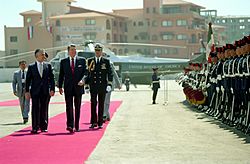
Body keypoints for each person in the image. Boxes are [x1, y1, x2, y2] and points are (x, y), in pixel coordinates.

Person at [58, 44, 87, 133]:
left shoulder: (82, 60)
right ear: (68, 51)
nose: (73, 51)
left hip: (78, 87)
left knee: (77, 107)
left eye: (75, 50)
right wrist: (59, 86)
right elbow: (61, 75)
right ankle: (70, 125)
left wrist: (83, 81)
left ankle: (77, 126)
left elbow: (86, 73)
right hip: (68, 87)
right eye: (71, 50)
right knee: (69, 107)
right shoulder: (63, 62)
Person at [25, 49, 55, 134]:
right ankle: (35, 127)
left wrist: (52, 89)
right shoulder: (31, 67)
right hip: (35, 91)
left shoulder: (48, 66)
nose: (44, 56)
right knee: (35, 109)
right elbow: (28, 80)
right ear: (37, 56)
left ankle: (43, 127)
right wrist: (27, 91)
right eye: (42, 54)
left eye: (44, 54)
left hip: (45, 91)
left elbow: (52, 78)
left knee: (44, 109)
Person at [85, 44, 113, 129]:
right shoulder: (90, 61)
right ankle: (94, 122)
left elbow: (110, 73)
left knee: (101, 104)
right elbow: (88, 74)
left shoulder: (106, 61)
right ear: (95, 51)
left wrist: (109, 84)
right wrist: (86, 85)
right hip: (93, 85)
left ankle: (100, 122)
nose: (97, 52)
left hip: (102, 86)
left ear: (101, 51)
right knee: (93, 104)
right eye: (96, 51)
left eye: (99, 51)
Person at [102, 53, 122, 122]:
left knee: (106, 101)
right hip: (101, 84)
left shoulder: (110, 63)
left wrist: (118, 84)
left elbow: (114, 74)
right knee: (102, 100)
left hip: (108, 84)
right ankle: (107, 115)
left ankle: (104, 115)